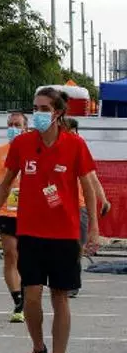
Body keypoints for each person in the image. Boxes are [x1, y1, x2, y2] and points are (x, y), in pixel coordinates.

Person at [0, 87, 99, 353]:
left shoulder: (75, 144)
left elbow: (88, 187)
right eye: (35, 108)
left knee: (60, 297)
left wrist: (94, 228)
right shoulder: (23, 144)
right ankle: (38, 348)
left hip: (64, 234)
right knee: (31, 298)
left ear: (58, 112)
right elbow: (5, 182)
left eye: (44, 109)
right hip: (30, 231)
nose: (38, 114)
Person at [0, 112, 29, 323]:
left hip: (31, 213)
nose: (13, 128)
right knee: (11, 254)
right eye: (10, 124)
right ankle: (18, 301)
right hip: (6, 212)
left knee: (28, 259)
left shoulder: (36, 151)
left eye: (17, 125)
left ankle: (28, 295)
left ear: (26, 128)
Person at [63, 117, 112, 298]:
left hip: (79, 207)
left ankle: (72, 281)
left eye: (72, 132)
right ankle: (62, 279)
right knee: (61, 247)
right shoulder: (53, 151)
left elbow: (92, 178)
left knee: (76, 246)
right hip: (58, 208)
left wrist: (103, 199)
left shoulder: (79, 151)